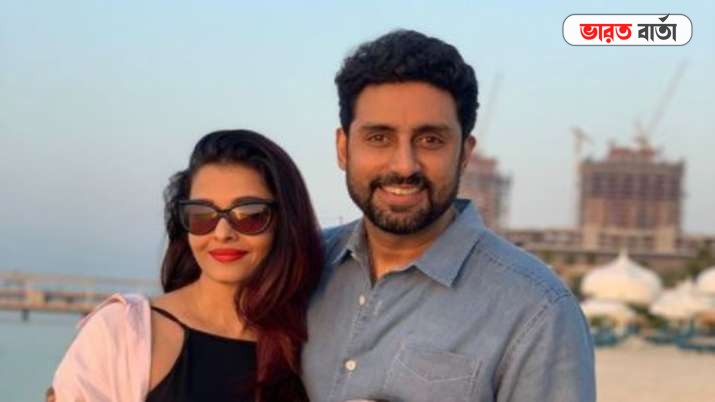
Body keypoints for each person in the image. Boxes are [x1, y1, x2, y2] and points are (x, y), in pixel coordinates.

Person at [302, 30, 596, 402]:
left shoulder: (538, 310)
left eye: (430, 140)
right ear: (343, 148)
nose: (404, 166)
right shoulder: (298, 267)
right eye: (379, 138)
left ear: (465, 154)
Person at [50, 130, 323, 402]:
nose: (222, 233)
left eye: (249, 215)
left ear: (285, 223)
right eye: (202, 215)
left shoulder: (313, 342)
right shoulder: (122, 332)